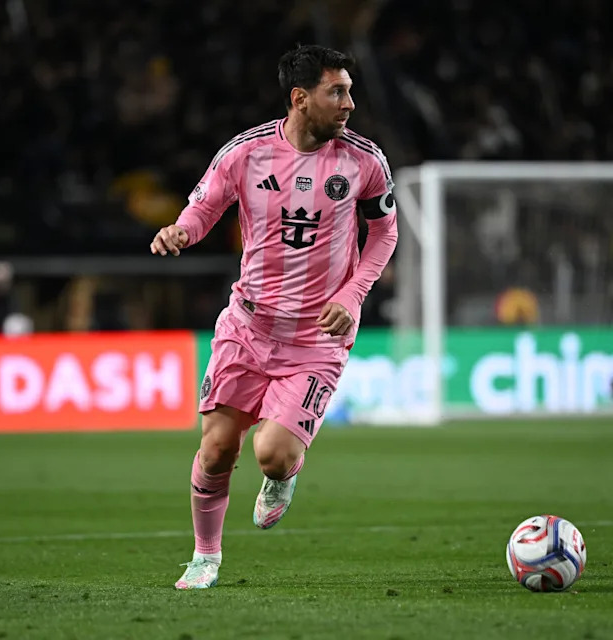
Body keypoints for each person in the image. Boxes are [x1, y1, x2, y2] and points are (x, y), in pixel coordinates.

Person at [150, 45, 398, 590]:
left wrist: (354, 295)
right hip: (248, 325)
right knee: (216, 449)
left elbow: (384, 232)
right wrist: (181, 230)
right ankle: (205, 557)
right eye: (338, 92)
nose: (350, 103)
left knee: (273, 455)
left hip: (316, 337)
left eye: (350, 90)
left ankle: (285, 476)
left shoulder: (365, 162)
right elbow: (205, 204)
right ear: (300, 98)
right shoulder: (246, 153)